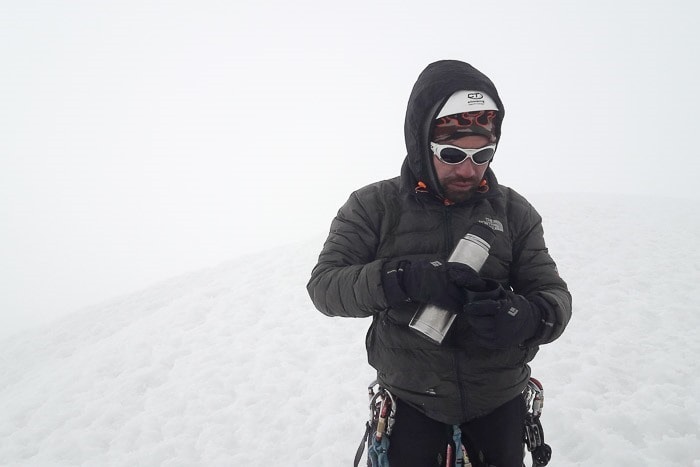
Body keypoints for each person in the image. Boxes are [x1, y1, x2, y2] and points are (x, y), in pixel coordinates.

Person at [306, 60, 572, 467]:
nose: (469, 168)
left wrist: (523, 317)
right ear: (420, 142)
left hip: (498, 399)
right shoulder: (373, 206)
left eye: (483, 153)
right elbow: (325, 287)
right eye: (452, 153)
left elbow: (553, 297)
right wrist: (401, 279)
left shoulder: (515, 213)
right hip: (411, 400)